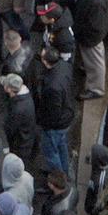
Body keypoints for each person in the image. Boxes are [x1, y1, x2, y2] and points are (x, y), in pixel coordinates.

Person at [37, 47, 74, 176]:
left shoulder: (52, 86)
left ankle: (60, 177)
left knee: (51, 152)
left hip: (56, 125)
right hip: (67, 116)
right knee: (61, 146)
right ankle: (65, 170)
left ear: (46, 62)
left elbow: (53, 113)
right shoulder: (64, 66)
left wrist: (45, 126)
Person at [73, 0, 108, 100]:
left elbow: (93, 24)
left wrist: (83, 36)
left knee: (95, 61)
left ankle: (96, 89)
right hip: (89, 32)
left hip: (91, 36)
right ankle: (87, 68)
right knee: (91, 59)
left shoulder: (95, 0)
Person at [0, 73, 36, 166]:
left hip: (21, 142)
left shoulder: (18, 108)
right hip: (26, 134)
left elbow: (11, 128)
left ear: (9, 89)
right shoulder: (25, 97)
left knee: (18, 160)